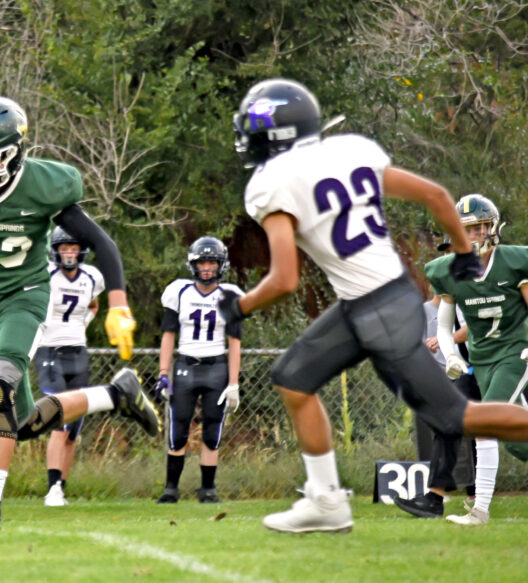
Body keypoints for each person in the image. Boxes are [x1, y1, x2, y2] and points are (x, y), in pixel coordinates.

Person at [221, 78, 528, 534]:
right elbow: (437, 196)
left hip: (378, 312)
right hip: (379, 300)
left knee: (457, 417)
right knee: (291, 377)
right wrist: (465, 251)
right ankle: (325, 501)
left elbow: (284, 279)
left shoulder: (271, 183)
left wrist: (240, 306)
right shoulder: (348, 149)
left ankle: (326, 501)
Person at [0, 96, 160, 529]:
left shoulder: (43, 185)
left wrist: (118, 304)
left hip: (25, 296)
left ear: (14, 156)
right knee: (18, 423)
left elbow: (104, 245)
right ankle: (115, 394)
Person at [421, 193, 528, 525]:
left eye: (480, 228)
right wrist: (451, 355)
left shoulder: (514, 261)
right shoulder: (447, 271)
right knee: (516, 443)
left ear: (492, 228)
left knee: (485, 421)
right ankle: (479, 509)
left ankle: (480, 510)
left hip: (517, 351)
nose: (474, 236)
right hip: (482, 359)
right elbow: (443, 324)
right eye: (466, 230)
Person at [155, 236, 243, 504]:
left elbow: (235, 342)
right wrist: (163, 372)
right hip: (186, 366)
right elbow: (169, 335)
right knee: (178, 427)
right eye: (202, 262)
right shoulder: (179, 292)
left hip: (216, 367)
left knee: (212, 429)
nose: (206, 268)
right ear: (193, 264)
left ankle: (208, 488)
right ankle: (171, 488)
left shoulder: (229, 296)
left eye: (211, 262)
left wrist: (233, 382)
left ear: (221, 266)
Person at [34, 226, 105, 507]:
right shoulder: (45, 274)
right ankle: (52, 489)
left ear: (81, 250)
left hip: (77, 352)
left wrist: (81, 325)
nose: (69, 253)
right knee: (58, 420)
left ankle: (61, 486)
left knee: (74, 426)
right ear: (55, 250)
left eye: (73, 247)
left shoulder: (92, 277)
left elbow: (95, 306)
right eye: (64, 248)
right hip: (49, 351)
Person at [393, 288, 479, 519]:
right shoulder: (442, 305)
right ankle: (434, 498)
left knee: (514, 429)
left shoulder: (482, 287)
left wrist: (446, 339)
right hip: (466, 371)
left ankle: (474, 493)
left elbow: (480, 325)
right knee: (448, 424)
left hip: (501, 365)